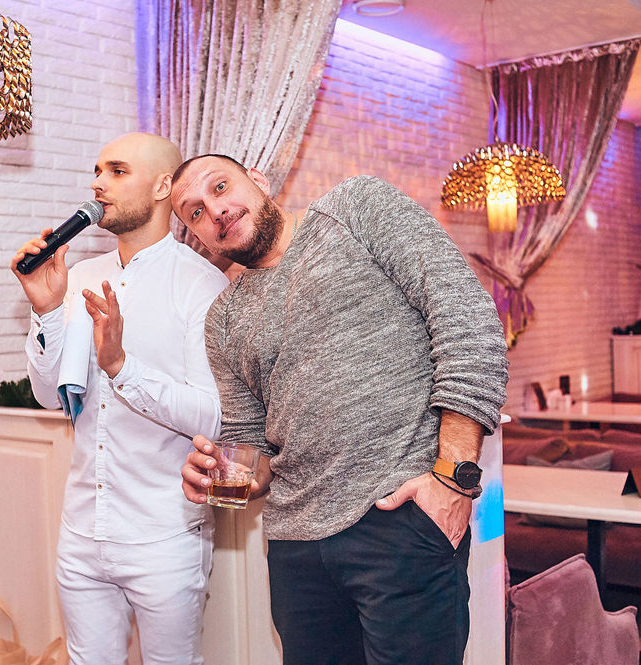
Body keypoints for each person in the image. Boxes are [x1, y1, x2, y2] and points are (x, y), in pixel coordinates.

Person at [171, 154, 509, 665]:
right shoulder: (222, 319)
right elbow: (253, 448)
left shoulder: (355, 208)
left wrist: (454, 480)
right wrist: (222, 474)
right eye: (195, 212)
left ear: (258, 179)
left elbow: (467, 320)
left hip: (400, 520)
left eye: (220, 187)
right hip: (296, 551)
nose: (214, 210)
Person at [11, 134, 229, 665]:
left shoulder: (201, 285)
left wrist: (121, 368)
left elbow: (212, 416)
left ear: (162, 187)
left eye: (117, 171)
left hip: (164, 534)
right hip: (82, 532)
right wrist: (46, 311)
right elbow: (49, 396)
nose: (98, 184)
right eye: (97, 171)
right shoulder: (80, 277)